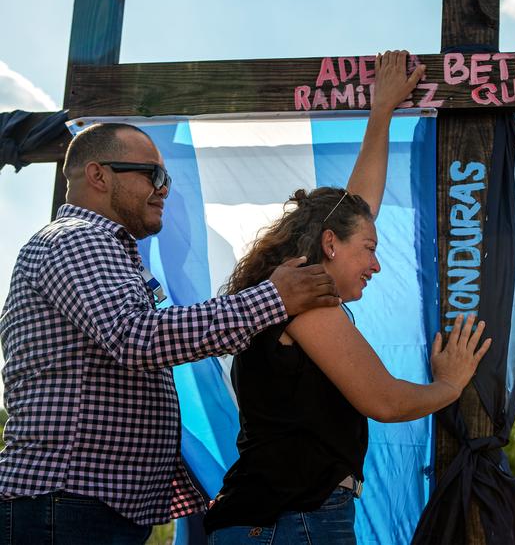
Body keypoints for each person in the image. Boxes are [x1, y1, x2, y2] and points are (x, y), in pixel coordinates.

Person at [0, 121, 342, 543]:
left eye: (168, 178)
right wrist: (272, 298)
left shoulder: (99, 247)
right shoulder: (77, 239)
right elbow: (135, 337)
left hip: (80, 506)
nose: (164, 189)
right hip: (67, 504)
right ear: (98, 175)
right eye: (154, 175)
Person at [203, 51, 492, 544]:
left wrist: (381, 114)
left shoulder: (293, 286)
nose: (377, 264)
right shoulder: (305, 300)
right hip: (290, 521)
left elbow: (357, 209)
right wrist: (449, 386)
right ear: (330, 245)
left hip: (281, 518)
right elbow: (383, 399)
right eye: (370, 250)